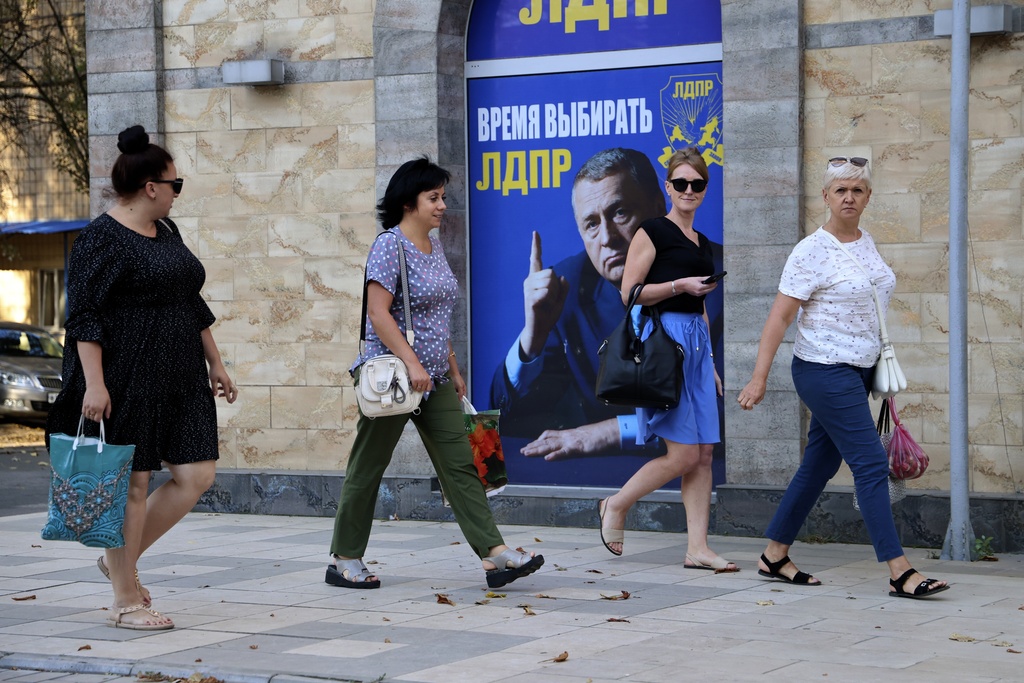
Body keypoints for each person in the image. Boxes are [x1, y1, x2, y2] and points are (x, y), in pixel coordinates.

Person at [47, 125, 238, 630]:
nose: (178, 194)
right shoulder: (99, 240)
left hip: (180, 373)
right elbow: (84, 317)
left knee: (197, 475)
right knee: (130, 486)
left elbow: (188, 299)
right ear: (152, 186)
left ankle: (118, 563)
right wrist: (94, 383)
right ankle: (125, 598)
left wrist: (215, 361)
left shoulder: (167, 233)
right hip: (126, 375)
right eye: (177, 185)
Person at [737, 155, 949, 599]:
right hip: (822, 369)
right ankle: (900, 571)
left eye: (857, 189)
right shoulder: (811, 250)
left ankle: (774, 554)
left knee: (820, 464)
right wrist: (759, 378)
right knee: (870, 464)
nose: (849, 197)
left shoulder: (866, 242)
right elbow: (779, 319)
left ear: (868, 197)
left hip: (859, 372)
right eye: (841, 190)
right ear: (826, 197)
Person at [327, 157, 544, 590]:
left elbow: (434, 318)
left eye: (443, 197)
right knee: (368, 466)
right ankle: (344, 558)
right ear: (409, 202)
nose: (443, 205)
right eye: (434, 197)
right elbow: (379, 313)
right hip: (395, 378)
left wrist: (452, 368)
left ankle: (494, 555)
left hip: (436, 380)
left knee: (462, 464)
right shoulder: (390, 245)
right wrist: (412, 363)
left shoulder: (434, 244)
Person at [490, 148, 723, 462]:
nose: (608, 238)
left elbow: (734, 414)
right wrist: (532, 340)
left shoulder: (719, 284)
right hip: (607, 477)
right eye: (591, 224)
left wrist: (612, 432)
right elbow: (512, 416)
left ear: (658, 207)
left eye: (620, 212)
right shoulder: (567, 289)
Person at [596, 147, 732, 570]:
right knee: (684, 455)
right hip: (664, 346)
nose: (689, 190)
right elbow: (629, 293)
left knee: (704, 453)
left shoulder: (702, 242)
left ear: (705, 190)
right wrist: (679, 285)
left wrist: (708, 362)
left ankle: (697, 548)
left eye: (697, 184)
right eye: (681, 183)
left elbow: (702, 306)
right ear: (668, 187)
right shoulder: (652, 231)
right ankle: (616, 505)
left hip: (694, 348)